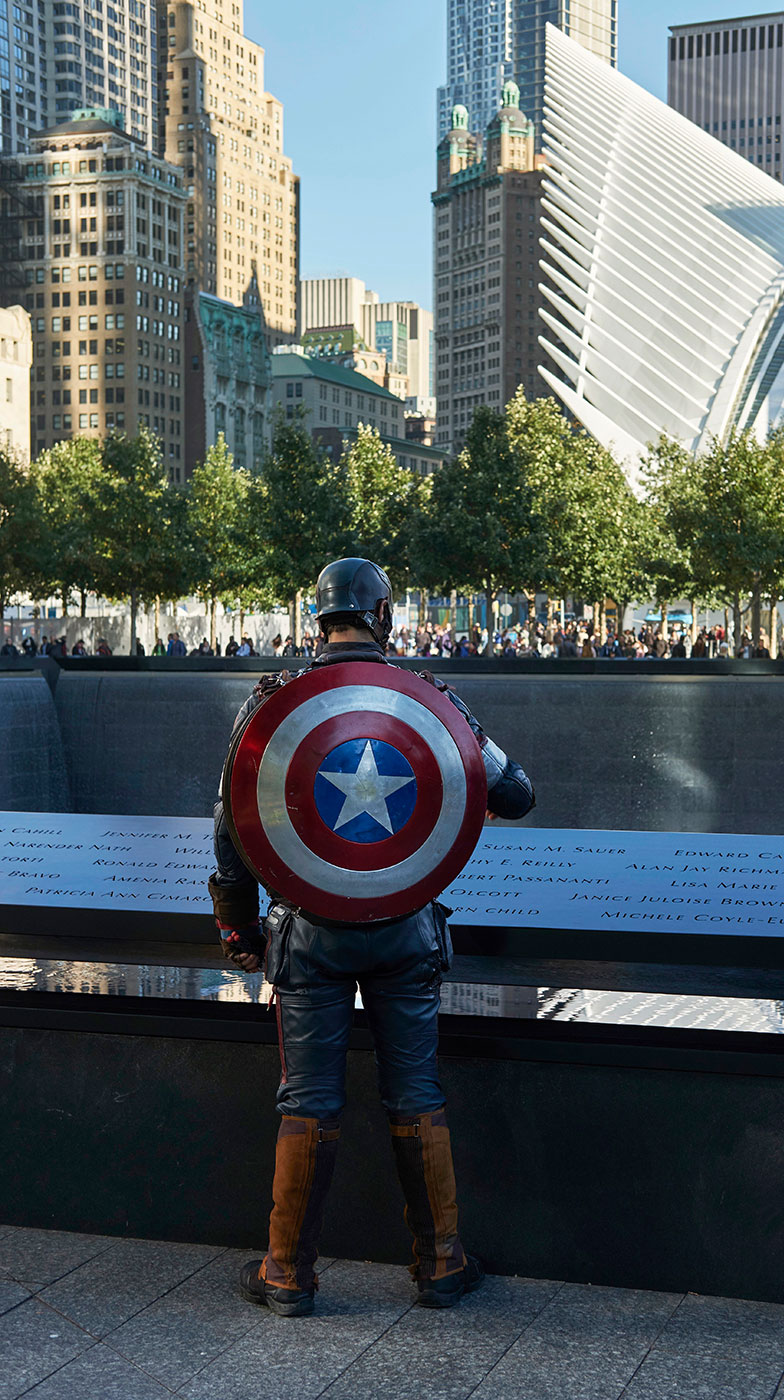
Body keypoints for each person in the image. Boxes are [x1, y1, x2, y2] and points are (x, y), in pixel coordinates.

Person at [209, 558, 534, 1319]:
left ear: (317, 619)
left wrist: (239, 934)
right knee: (416, 1092)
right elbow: (517, 793)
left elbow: (230, 832)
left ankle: (287, 1272)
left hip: (307, 935)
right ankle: (441, 1264)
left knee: (308, 1100)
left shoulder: (271, 702)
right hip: (405, 933)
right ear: (383, 615)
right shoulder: (432, 700)